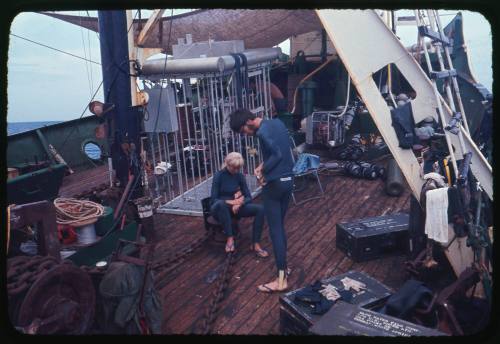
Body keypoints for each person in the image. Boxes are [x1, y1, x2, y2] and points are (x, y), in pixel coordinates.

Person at [229, 109, 294, 293]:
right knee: (280, 229)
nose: (246, 135)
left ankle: (281, 280)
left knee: (275, 231)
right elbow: (283, 151)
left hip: (274, 186)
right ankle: (285, 268)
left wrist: (263, 173)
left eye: (243, 131)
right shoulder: (277, 123)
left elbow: (277, 155)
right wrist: (262, 165)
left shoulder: (262, 131)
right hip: (288, 181)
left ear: (248, 123)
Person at [210, 152, 268, 257]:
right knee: (221, 205)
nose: (236, 170)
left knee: (261, 209)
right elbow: (214, 199)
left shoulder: (239, 176)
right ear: (227, 164)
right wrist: (231, 202)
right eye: (234, 168)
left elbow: (248, 197)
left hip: (235, 208)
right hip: (219, 208)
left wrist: (239, 204)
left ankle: (255, 243)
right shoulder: (219, 176)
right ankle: (230, 238)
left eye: (238, 168)